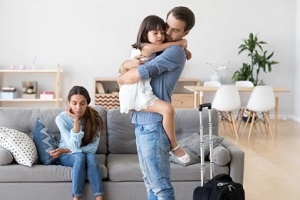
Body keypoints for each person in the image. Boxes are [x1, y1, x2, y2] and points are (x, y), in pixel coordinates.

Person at [118, 6, 195, 200]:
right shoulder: (165, 47)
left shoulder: (175, 52)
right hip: (142, 122)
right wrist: (125, 65)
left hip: (153, 124)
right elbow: (129, 66)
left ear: (185, 33)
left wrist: (122, 76)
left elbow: (132, 76)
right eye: (166, 26)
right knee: (150, 184)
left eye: (175, 31)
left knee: (161, 187)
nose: (167, 33)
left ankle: (174, 146)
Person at [50, 86, 105, 200]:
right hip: (66, 156)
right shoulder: (61, 119)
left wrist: (66, 149)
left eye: (82, 103)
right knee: (80, 157)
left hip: (67, 151)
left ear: (87, 103)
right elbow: (73, 146)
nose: (78, 107)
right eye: (74, 103)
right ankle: (76, 198)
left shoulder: (95, 119)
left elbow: (93, 148)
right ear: (68, 103)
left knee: (91, 157)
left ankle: (99, 197)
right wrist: (76, 121)